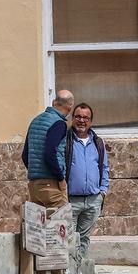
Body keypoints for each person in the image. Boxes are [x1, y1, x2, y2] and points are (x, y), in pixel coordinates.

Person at [44, 102, 109, 258]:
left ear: (91, 121)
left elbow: (104, 167)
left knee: (84, 239)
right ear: (72, 118)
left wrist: (103, 191)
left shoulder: (98, 142)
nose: (82, 120)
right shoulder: (65, 140)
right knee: (66, 239)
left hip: (93, 200)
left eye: (86, 117)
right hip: (71, 200)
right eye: (78, 116)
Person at [21, 90, 74, 208]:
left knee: (39, 225)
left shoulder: (35, 121)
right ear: (69, 107)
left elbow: (25, 155)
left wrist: (37, 173)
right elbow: (50, 153)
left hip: (34, 186)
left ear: (54, 102)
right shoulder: (59, 123)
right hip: (52, 185)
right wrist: (60, 179)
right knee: (59, 223)